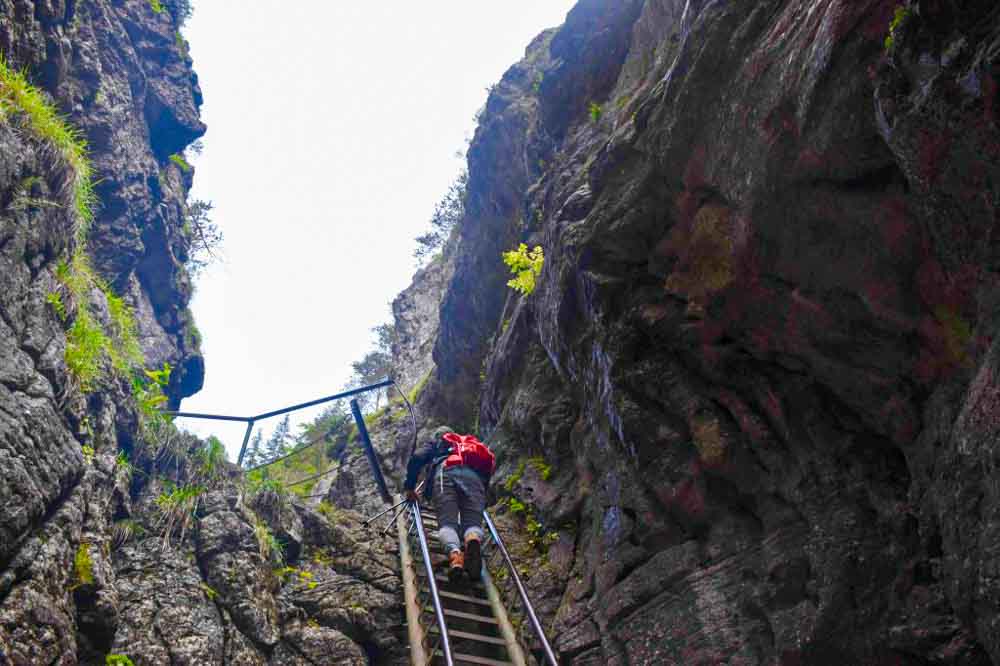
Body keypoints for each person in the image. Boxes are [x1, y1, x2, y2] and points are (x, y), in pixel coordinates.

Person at [403, 425, 495, 582]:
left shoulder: (438, 443)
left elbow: (418, 457)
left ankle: (455, 556)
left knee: (448, 524)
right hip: (475, 479)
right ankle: (472, 539)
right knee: (472, 524)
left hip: (446, 472)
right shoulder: (467, 445)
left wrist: (410, 487)